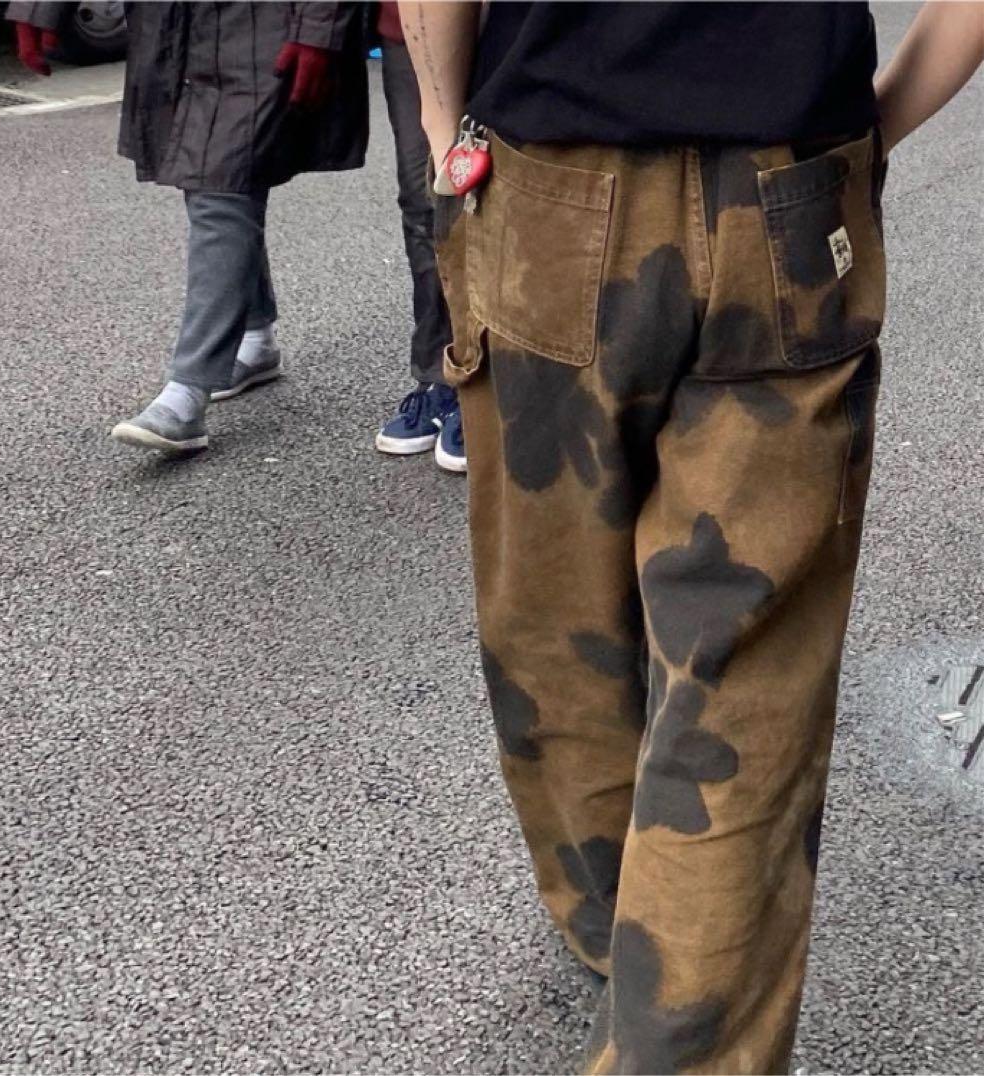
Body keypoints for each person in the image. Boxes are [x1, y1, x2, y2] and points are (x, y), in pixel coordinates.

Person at [400, 1, 983, 1072]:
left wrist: (444, 129)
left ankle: (613, 923)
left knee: (555, 627)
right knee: (746, 683)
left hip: (551, 179)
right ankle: (682, 1013)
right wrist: (876, 126)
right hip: (792, 182)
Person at [8, 1, 370, 456]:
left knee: (220, 180)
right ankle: (254, 335)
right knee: (209, 173)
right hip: (174, 20)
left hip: (265, 22)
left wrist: (320, 27)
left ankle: (188, 390)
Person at [372, 1, 464, 473]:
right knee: (424, 201)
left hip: (514, 25)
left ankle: (495, 380)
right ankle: (439, 375)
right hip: (412, 26)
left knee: (509, 195)